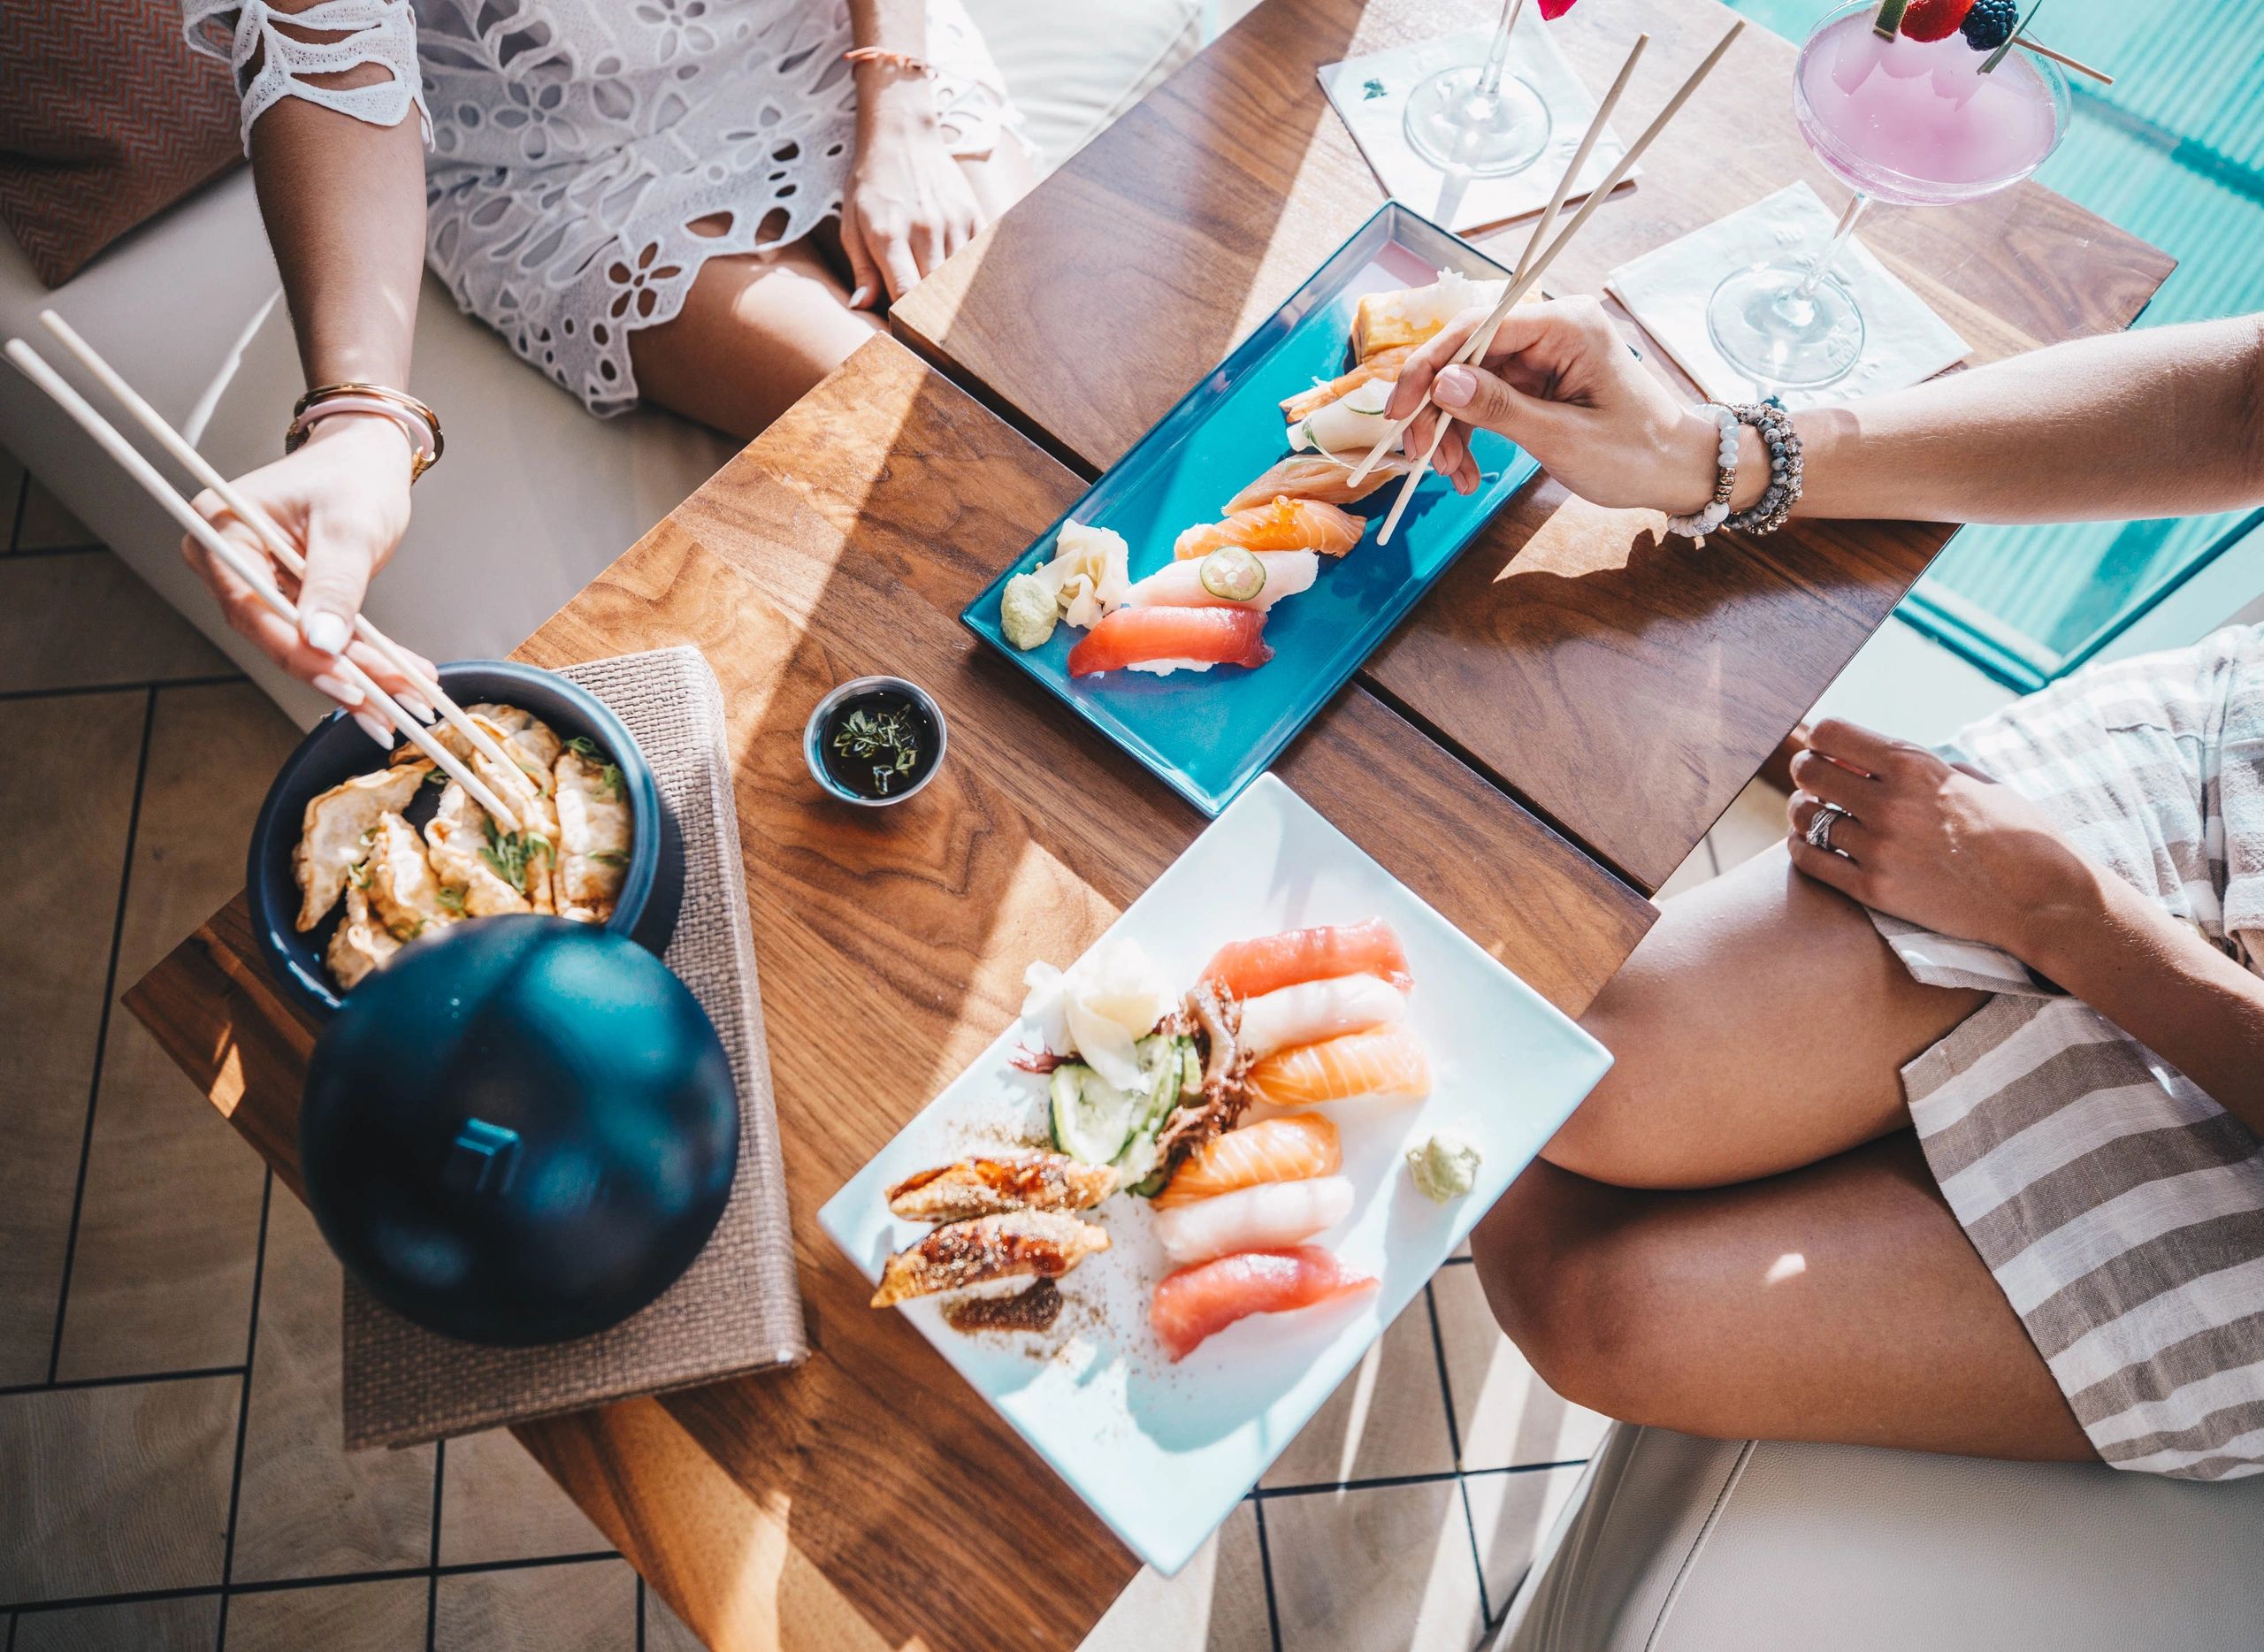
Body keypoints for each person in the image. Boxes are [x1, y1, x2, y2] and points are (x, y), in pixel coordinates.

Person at [1384, 300, 2264, 1480]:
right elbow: (2245, 399)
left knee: (1602, 1314)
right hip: (2225, 800)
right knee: (1576, 1071)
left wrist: (2059, 912)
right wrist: (1707, 453)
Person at [178, 0, 1034, 742]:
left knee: (1048, 378)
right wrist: (360, 420)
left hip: (837, 38)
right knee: (935, 447)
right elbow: (327, 35)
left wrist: (899, 100)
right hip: (552, 149)